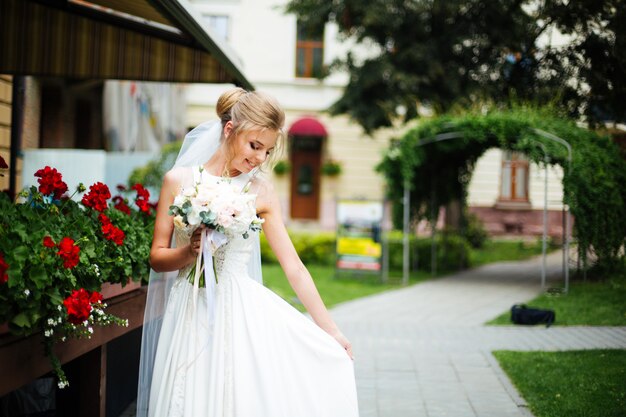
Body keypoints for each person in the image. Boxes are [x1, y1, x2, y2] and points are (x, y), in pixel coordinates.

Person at [136, 88, 359, 417]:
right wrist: (190, 251)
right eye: (255, 146)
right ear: (230, 131)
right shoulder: (178, 181)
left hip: (239, 311)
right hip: (188, 309)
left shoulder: (262, 192)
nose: (259, 158)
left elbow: (294, 267)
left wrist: (331, 330)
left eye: (267, 152)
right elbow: (157, 256)